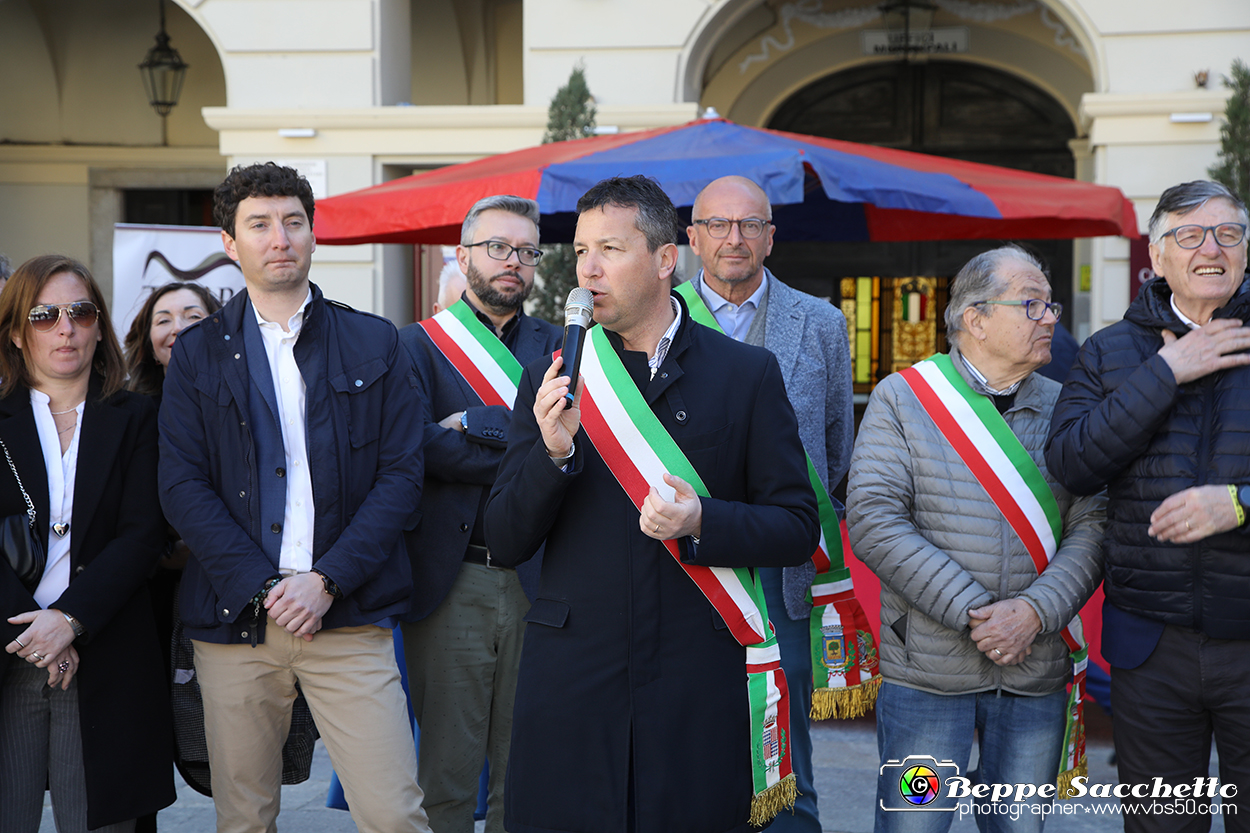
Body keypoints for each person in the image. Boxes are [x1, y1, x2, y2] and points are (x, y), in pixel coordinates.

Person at [484, 175, 820, 833]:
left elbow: (796, 527)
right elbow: (505, 537)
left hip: (697, 676)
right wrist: (549, 457)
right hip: (574, 674)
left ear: (666, 259)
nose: (588, 268)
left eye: (610, 247)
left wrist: (705, 519)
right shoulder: (551, 373)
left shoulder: (744, 375)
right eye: (582, 250)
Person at [158, 162, 431, 833]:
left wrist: (326, 579)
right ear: (230, 242)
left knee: (395, 814)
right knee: (244, 820)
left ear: (312, 233)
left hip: (349, 613)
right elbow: (181, 484)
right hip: (237, 622)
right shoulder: (197, 354)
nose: (279, 236)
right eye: (259, 223)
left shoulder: (375, 341)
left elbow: (402, 474)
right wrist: (262, 584)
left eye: (293, 221)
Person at [848, 245, 1105, 833]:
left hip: (1034, 668)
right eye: (1032, 304)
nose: (1050, 319)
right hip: (928, 679)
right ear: (976, 318)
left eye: (1051, 305)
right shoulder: (904, 398)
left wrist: (1033, 614)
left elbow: (1093, 525)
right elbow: (874, 519)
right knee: (916, 826)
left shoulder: (1070, 407)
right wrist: (978, 613)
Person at [1046, 180, 1250, 828]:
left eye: (1228, 233)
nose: (1211, 248)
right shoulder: (1110, 350)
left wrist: (1241, 502)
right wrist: (1166, 372)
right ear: (1157, 257)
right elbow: (1072, 464)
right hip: (1150, 647)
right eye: (1190, 235)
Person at [683, 175, 859, 833]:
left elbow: (834, 449)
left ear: (771, 236)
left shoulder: (820, 322)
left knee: (787, 760)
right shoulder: (655, 316)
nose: (736, 238)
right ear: (693, 236)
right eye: (719, 224)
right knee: (689, 742)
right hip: (684, 569)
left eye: (750, 224)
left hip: (783, 574)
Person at [399, 195, 562, 833]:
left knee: (525, 771)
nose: (513, 263)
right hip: (451, 580)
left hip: (542, 579)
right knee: (444, 772)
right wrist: (529, 445)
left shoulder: (563, 343)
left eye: (526, 252)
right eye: (498, 247)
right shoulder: (414, 346)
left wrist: (472, 422)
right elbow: (414, 447)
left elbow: (579, 447)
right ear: (463, 256)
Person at [0, 255, 174, 831]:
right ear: (17, 334)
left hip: (104, 652)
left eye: (80, 312)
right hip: (9, 649)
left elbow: (143, 534)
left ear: (100, 325)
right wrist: (36, 632)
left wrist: (69, 619)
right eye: (44, 315)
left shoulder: (140, 418)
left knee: (98, 821)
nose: (65, 328)